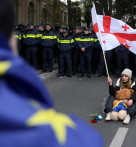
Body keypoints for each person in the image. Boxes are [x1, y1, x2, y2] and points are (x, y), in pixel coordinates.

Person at [0, 1, 103, 146]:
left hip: (72, 53)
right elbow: (88, 140)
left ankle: (77, 72)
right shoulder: (40, 124)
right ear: (12, 37)